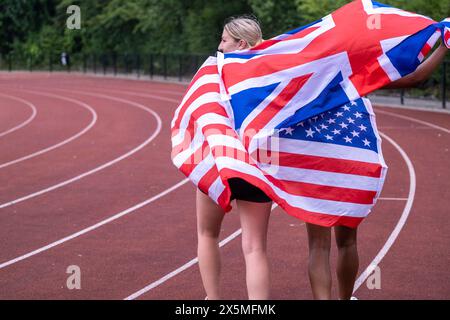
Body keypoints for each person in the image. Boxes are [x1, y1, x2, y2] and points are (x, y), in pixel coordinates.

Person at [306, 40, 449, 300]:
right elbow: (414, 78)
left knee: (318, 245)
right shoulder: (359, 72)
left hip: (316, 163)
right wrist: (444, 46)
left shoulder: (308, 72)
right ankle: (345, 298)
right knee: (347, 241)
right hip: (351, 162)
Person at [196, 15, 271, 300]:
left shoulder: (213, 70)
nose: (219, 45)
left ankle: (213, 301)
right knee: (255, 247)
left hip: (217, 158)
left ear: (240, 43)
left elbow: (197, 112)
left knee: (207, 234)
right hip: (257, 162)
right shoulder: (272, 71)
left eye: (224, 39)